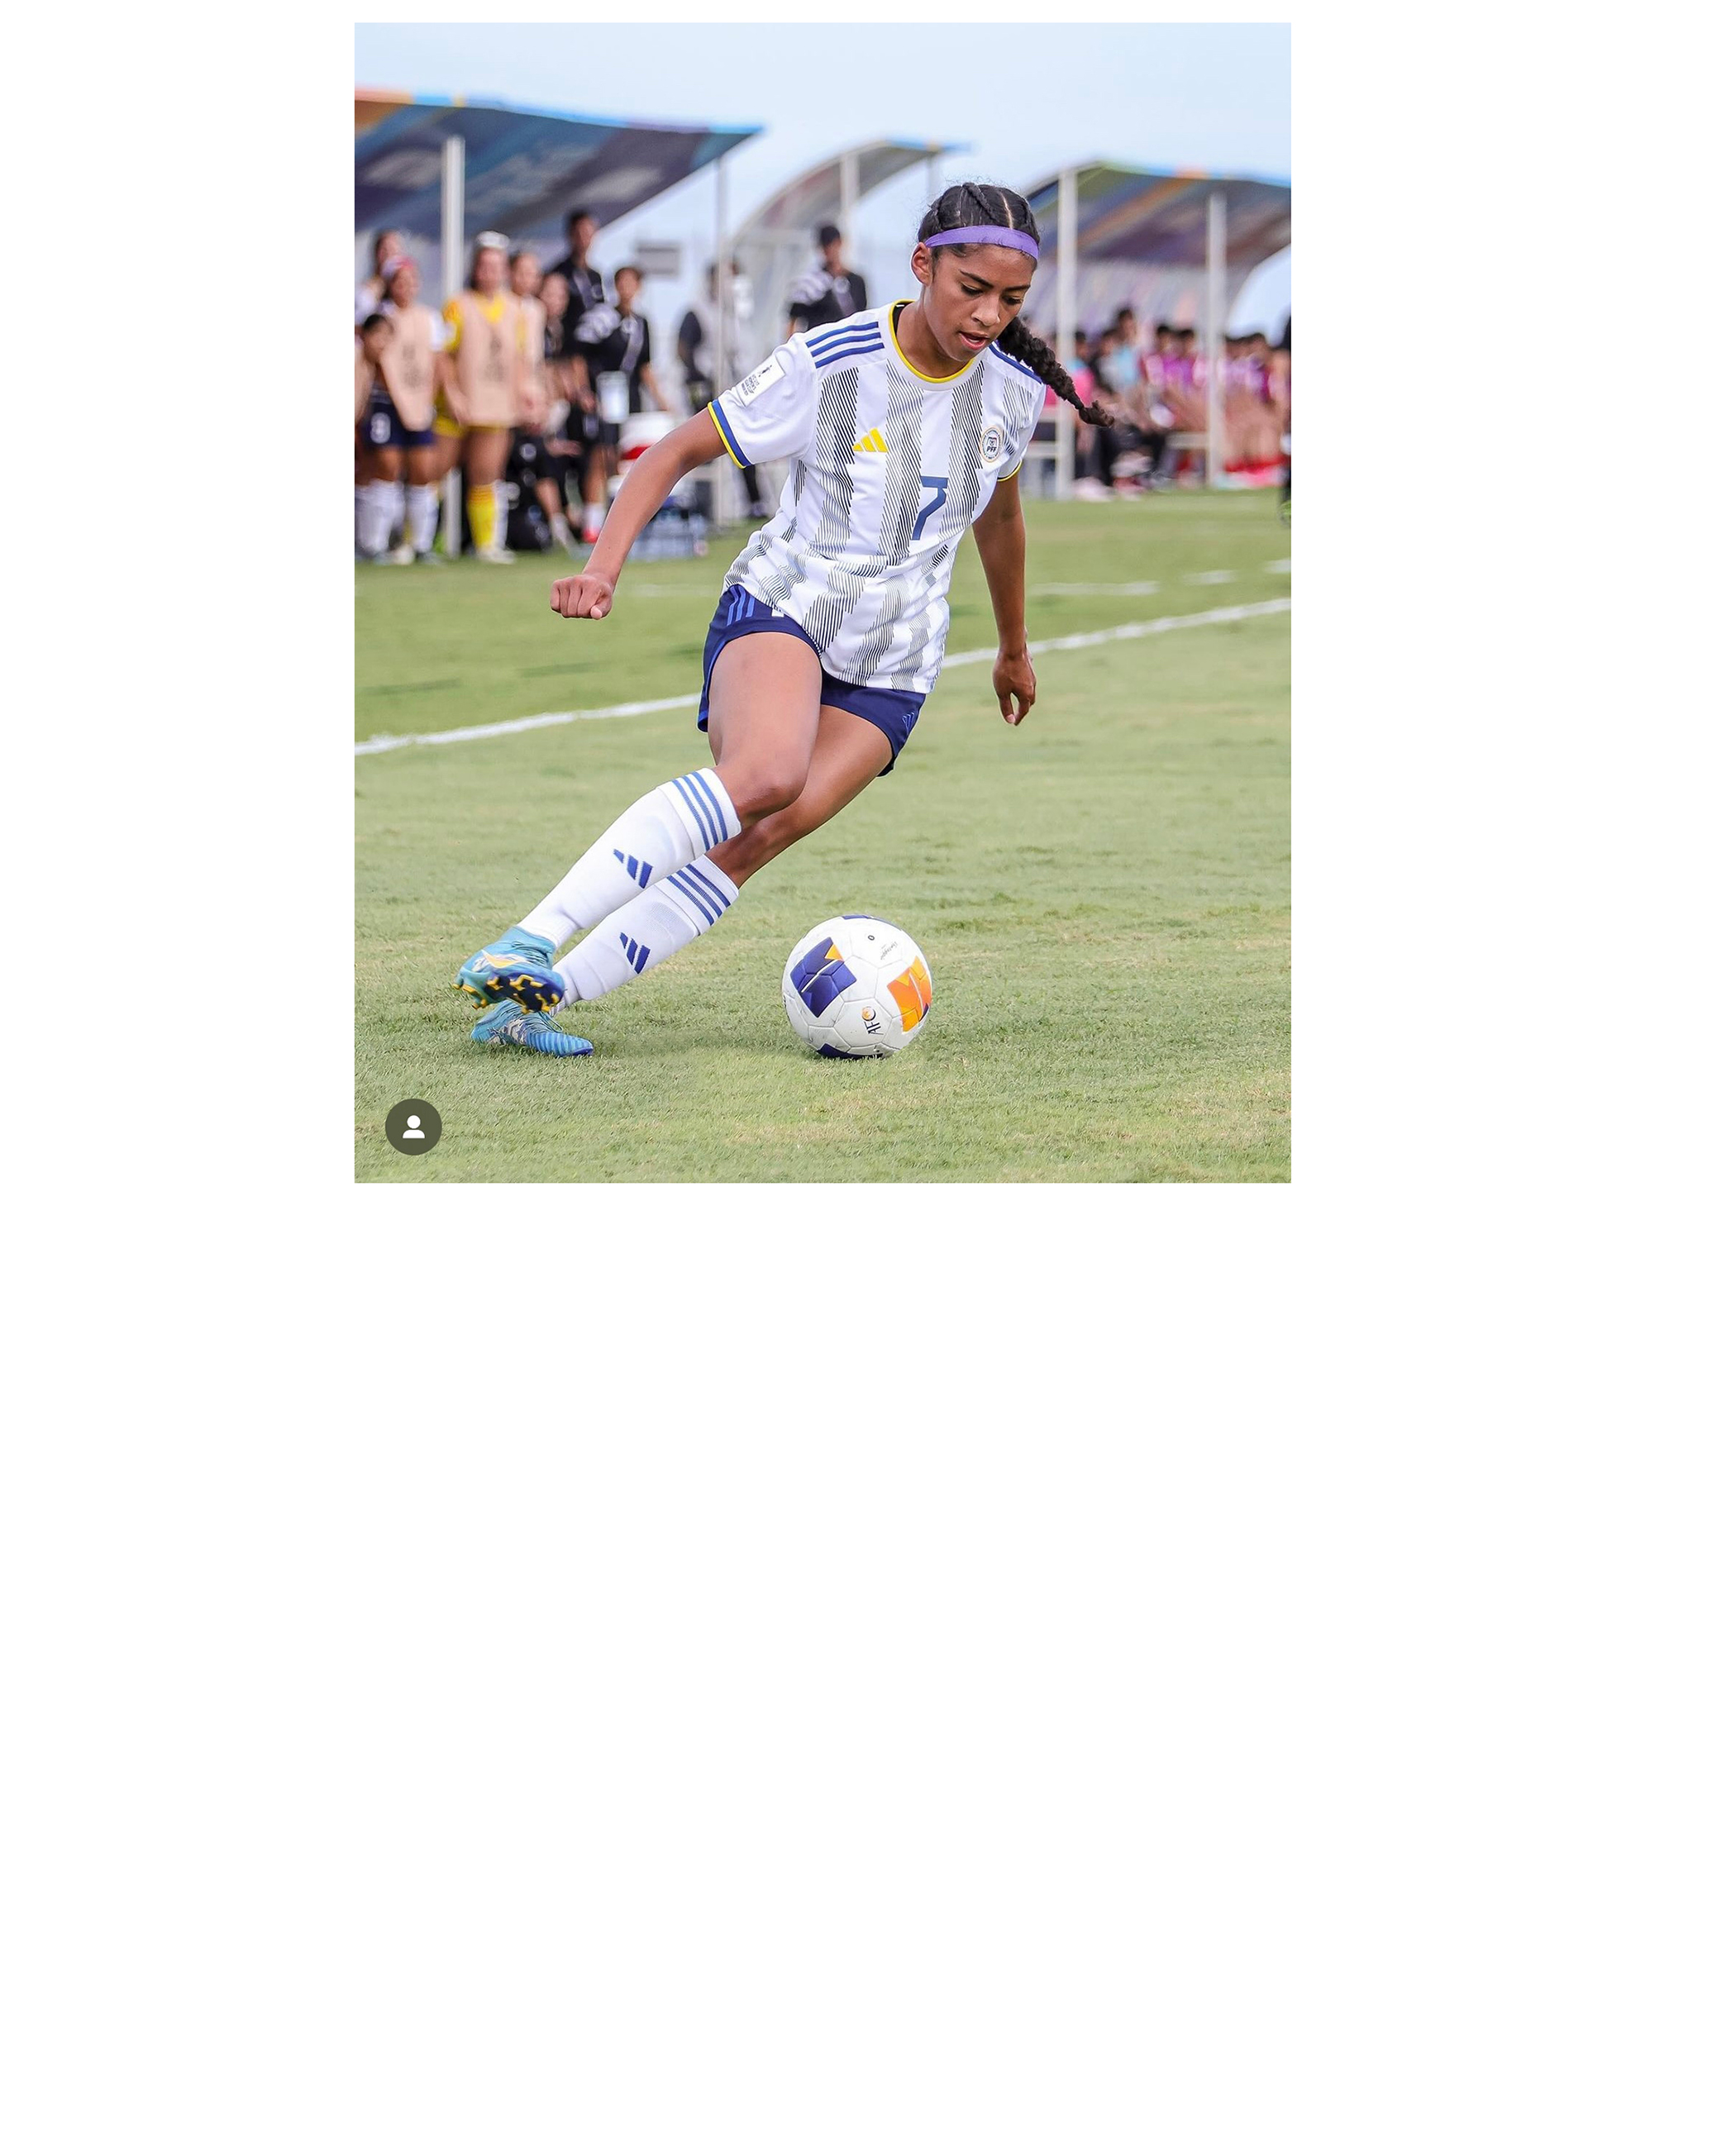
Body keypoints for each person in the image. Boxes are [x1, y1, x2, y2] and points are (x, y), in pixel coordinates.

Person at [451, 179, 1113, 1057]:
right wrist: (602, 567)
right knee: (767, 774)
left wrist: (1014, 650)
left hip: (895, 662)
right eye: (972, 290)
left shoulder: (1012, 390)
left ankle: (535, 1003)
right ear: (923, 266)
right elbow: (677, 450)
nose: (990, 314)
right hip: (787, 605)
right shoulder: (831, 361)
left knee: (759, 837)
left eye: (1012, 299)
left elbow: (1000, 516)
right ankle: (532, 936)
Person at [432, 231, 527, 563]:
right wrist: (452, 393)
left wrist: (524, 394)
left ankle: (486, 544)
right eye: (485, 265)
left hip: (496, 404)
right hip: (458, 404)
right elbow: (442, 354)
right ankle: (424, 541)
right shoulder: (457, 306)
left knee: (487, 473)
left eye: (497, 266)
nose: (491, 272)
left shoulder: (516, 309)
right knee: (434, 471)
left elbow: (519, 358)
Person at [572, 265, 675, 546]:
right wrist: (583, 391)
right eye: (622, 282)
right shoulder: (601, 319)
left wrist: (664, 402)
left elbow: (645, 367)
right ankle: (592, 522)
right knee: (599, 455)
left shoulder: (641, 324)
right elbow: (580, 356)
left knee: (621, 457)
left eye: (633, 282)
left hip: (627, 397)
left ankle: (616, 523)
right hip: (601, 393)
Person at [358, 255, 445, 564]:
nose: (406, 287)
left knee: (423, 470)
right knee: (386, 467)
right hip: (386, 399)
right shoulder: (378, 315)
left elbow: (437, 362)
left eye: (411, 281)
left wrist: (430, 398)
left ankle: (420, 544)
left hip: (419, 402)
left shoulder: (429, 318)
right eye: (399, 280)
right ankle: (374, 543)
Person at [678, 260, 766, 517]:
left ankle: (755, 502)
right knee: (705, 448)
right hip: (705, 387)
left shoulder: (735, 314)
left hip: (732, 386)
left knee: (743, 442)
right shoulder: (698, 312)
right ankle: (704, 507)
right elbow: (684, 348)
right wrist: (699, 379)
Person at [355, 313, 396, 557]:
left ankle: (364, 543)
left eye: (387, 337)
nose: (382, 343)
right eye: (377, 336)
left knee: (365, 477)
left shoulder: (371, 366)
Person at [785, 222, 868, 336]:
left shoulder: (857, 282)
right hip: (819, 347)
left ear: (840, 243)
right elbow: (793, 320)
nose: (828, 249)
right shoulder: (810, 283)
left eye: (831, 244)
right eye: (824, 245)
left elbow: (862, 317)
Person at [355, 229, 403, 324]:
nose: (388, 255)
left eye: (393, 250)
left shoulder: (404, 291)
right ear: (376, 253)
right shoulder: (363, 291)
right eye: (384, 250)